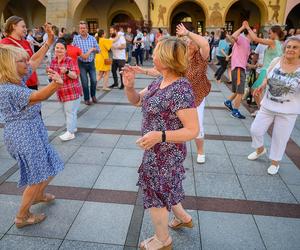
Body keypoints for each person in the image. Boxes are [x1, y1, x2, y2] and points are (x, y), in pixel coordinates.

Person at [122, 36, 199, 250]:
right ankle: (183, 217)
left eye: (156, 51)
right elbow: (137, 100)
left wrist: (160, 135)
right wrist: (129, 87)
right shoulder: (160, 81)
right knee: (168, 185)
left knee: (156, 192)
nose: (153, 54)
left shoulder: (181, 89)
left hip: (165, 153)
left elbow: (193, 130)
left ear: (166, 57)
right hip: (154, 149)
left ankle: (162, 240)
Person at [0, 24, 64, 228]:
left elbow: (35, 62)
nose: (27, 63)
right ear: (10, 64)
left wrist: (48, 42)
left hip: (31, 131)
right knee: (36, 176)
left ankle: (38, 196)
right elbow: (39, 95)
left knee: (51, 162)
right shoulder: (10, 89)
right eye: (22, 61)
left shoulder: (15, 80)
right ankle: (22, 216)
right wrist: (56, 83)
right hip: (23, 134)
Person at [247, 35, 300, 175]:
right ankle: (260, 149)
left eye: (295, 47)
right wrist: (262, 86)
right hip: (267, 106)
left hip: (288, 111)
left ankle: (275, 162)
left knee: (279, 138)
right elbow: (267, 76)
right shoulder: (277, 60)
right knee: (255, 130)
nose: (290, 49)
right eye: (288, 46)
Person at [245, 22, 284, 115]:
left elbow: (255, 39)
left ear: (275, 33)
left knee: (255, 90)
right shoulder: (281, 44)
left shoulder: (273, 42)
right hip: (272, 71)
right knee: (260, 91)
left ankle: (262, 111)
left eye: (270, 33)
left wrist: (247, 27)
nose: (269, 35)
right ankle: (263, 110)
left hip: (266, 71)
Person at [49, 39, 82, 141]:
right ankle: (73, 127)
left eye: (61, 48)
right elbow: (52, 76)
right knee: (67, 112)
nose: (59, 50)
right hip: (61, 92)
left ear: (65, 50)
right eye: (57, 48)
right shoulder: (54, 61)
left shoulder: (69, 60)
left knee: (69, 112)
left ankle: (70, 132)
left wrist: (67, 71)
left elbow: (75, 75)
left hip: (71, 91)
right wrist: (50, 75)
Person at [0, 16, 39, 90]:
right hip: (18, 84)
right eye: (23, 27)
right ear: (14, 26)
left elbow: (31, 61)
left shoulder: (26, 42)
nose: (25, 29)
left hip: (32, 83)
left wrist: (35, 78)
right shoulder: (4, 44)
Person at [224, 23, 251, 119]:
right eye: (253, 32)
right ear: (249, 33)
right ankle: (235, 111)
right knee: (240, 92)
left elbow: (243, 58)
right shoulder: (243, 40)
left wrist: (252, 66)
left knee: (238, 90)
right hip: (238, 68)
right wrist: (243, 27)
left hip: (240, 68)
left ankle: (228, 102)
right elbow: (234, 36)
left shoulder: (247, 43)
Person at [73, 21, 100, 105]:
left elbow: (99, 50)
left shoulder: (92, 38)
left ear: (87, 29)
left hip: (91, 63)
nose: (82, 30)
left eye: (84, 28)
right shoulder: (75, 38)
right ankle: (87, 99)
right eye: (81, 28)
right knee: (84, 82)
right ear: (79, 29)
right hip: (81, 63)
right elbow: (73, 50)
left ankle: (93, 95)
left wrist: (93, 49)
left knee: (94, 81)